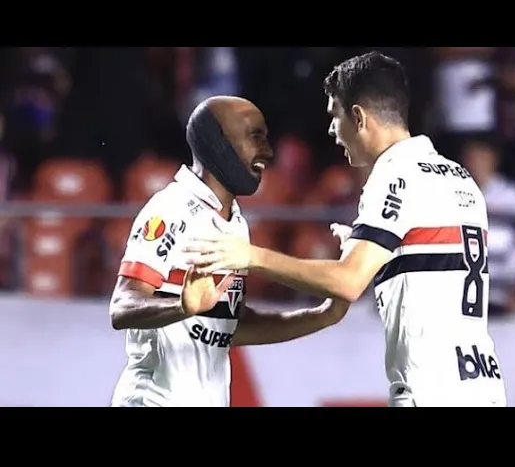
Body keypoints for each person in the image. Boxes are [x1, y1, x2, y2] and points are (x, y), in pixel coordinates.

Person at [184, 53, 507, 407]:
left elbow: (348, 281)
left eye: (334, 116)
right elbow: (431, 263)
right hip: (484, 386)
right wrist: (368, 248)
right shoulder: (460, 177)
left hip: (433, 391)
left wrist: (251, 256)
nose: (331, 130)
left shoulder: (394, 174)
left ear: (359, 117)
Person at [109, 96, 349, 407]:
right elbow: (122, 306)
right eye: (255, 137)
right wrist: (182, 307)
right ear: (217, 143)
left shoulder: (235, 222)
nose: (268, 151)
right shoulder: (171, 209)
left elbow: (232, 327)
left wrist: (323, 315)